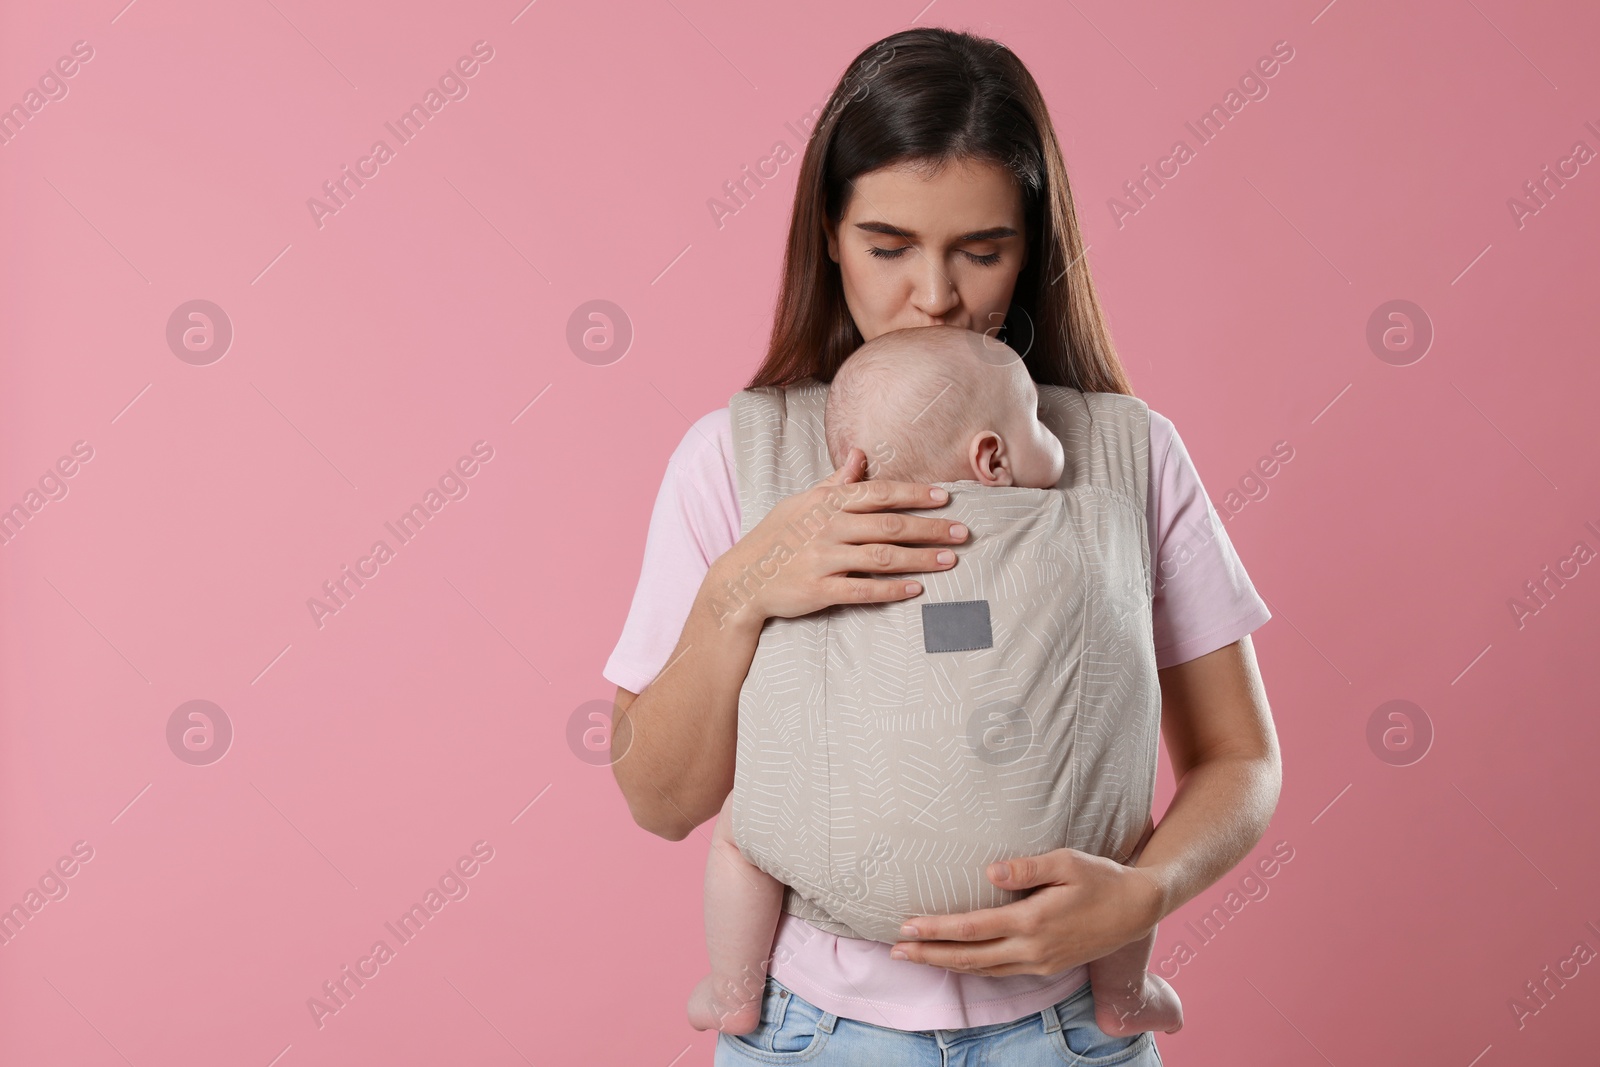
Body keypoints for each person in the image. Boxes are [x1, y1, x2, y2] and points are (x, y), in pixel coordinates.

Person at [606, 26, 1280, 1064]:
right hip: (816, 1032)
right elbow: (661, 799)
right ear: (827, 237)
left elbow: (1239, 758)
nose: (933, 295)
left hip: (1066, 1032)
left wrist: (1142, 895)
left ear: (1033, 243)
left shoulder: (1122, 454)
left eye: (981, 249)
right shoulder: (734, 458)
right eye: (887, 246)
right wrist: (741, 590)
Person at [687, 325, 1183, 1039]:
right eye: (1037, 423)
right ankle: (1123, 993)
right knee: (1126, 830)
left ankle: (733, 990)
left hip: (847, 868)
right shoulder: (1092, 516)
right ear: (992, 460)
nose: (934, 291)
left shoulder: (812, 528)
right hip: (1047, 862)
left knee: (740, 831)